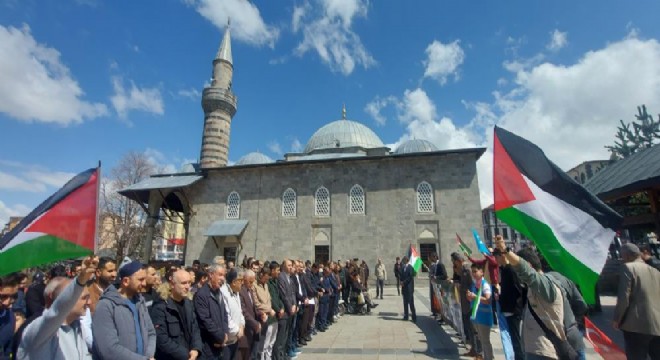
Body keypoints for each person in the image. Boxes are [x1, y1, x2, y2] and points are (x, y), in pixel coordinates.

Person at [494, 237, 584, 360]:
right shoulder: (540, 284)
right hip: (546, 349)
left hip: (544, 352)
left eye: (516, 271)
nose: (516, 274)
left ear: (529, 265)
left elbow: (527, 272)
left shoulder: (545, 285)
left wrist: (505, 251)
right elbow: (581, 305)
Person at [16, 256, 97, 359]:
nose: (89, 303)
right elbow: (55, 313)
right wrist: (80, 280)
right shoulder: (40, 328)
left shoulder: (77, 327)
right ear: (65, 299)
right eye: (84, 298)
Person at [92, 260, 157, 360]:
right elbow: (109, 349)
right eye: (140, 279)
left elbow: (151, 333)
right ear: (126, 281)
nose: (144, 283)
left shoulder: (140, 302)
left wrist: (148, 356)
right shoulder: (106, 305)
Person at [613, 243, 660, 360]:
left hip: (636, 325)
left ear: (627, 255)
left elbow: (624, 297)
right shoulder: (655, 271)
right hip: (657, 324)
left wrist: (617, 319)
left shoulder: (628, 268)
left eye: (622, 256)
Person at [149, 269, 202, 360]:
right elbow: (162, 339)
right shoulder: (161, 306)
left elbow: (195, 329)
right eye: (183, 283)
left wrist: (196, 349)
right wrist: (186, 355)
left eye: (189, 283)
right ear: (172, 284)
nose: (187, 287)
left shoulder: (188, 303)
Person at [494, 249, 526, 360]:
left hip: (513, 310)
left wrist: (511, 306)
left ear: (502, 255)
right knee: (513, 340)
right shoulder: (503, 269)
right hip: (508, 309)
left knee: (517, 342)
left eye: (496, 256)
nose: (495, 259)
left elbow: (518, 290)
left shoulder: (511, 270)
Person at [193, 263, 229, 360]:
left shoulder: (219, 293)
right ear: (210, 275)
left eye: (224, 275)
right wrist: (220, 337)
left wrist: (225, 334)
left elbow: (225, 315)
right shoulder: (201, 295)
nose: (223, 278)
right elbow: (205, 321)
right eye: (220, 275)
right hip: (208, 347)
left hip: (221, 345)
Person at [452, 252, 478, 357]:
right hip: (465, 303)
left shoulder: (467, 270)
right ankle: (473, 349)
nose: (454, 264)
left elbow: (472, 285)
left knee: (473, 328)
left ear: (459, 261)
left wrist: (462, 288)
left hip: (469, 302)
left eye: (455, 262)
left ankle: (478, 350)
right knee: (468, 327)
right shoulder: (462, 270)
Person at [467, 263, 494, 360]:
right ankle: (486, 357)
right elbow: (474, 299)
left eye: (475, 271)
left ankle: (489, 358)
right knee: (482, 340)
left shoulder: (485, 284)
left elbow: (488, 300)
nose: (473, 274)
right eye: (472, 272)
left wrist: (474, 296)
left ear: (482, 272)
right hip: (476, 317)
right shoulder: (475, 284)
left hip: (484, 317)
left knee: (485, 341)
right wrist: (470, 297)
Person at [221, 268, 245, 360]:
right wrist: (237, 331)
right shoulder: (224, 293)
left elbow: (239, 312)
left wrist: (242, 325)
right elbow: (226, 316)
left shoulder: (236, 292)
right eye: (241, 280)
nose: (242, 283)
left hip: (236, 338)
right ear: (234, 282)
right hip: (227, 341)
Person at [277, 259, 299, 359]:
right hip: (286, 310)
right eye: (289, 265)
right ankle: (280, 356)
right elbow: (284, 294)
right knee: (281, 337)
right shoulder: (281, 277)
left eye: (291, 265)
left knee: (286, 334)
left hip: (291, 309)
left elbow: (293, 293)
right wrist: (290, 307)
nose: (291, 267)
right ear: (284, 266)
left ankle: (284, 353)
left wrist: (294, 304)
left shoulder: (289, 277)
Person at [254, 267, 277, 360]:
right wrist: (268, 309)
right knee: (261, 344)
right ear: (261, 275)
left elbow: (269, 299)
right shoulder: (254, 285)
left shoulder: (266, 285)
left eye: (268, 279)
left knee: (268, 342)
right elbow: (256, 303)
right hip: (261, 316)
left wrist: (270, 309)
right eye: (266, 278)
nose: (267, 280)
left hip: (268, 316)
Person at [239, 270, 261, 360]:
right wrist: (254, 323)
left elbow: (253, 307)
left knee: (253, 352)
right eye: (250, 281)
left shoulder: (250, 290)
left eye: (253, 281)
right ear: (244, 279)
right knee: (247, 354)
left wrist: (260, 314)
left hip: (254, 326)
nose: (252, 284)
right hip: (247, 327)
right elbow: (244, 311)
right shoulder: (241, 291)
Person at [0, 273, 19, 359]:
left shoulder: (10, 317)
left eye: (13, 296)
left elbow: (7, 352)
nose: (8, 303)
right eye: (3, 297)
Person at [400, 256, 416, 322]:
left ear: (407, 260)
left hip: (409, 288)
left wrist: (404, 282)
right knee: (405, 302)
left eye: (403, 260)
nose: (402, 261)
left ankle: (414, 316)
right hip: (404, 288)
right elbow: (401, 275)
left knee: (411, 303)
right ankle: (406, 316)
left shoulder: (410, 268)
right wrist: (401, 281)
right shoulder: (403, 267)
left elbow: (410, 277)